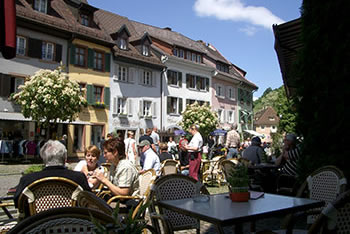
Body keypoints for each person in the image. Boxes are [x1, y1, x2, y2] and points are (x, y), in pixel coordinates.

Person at [14, 140, 91, 207]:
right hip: (70, 220)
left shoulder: (27, 179)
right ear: (65, 159)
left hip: (38, 221)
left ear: (43, 158)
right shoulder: (78, 178)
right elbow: (90, 200)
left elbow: (17, 202)